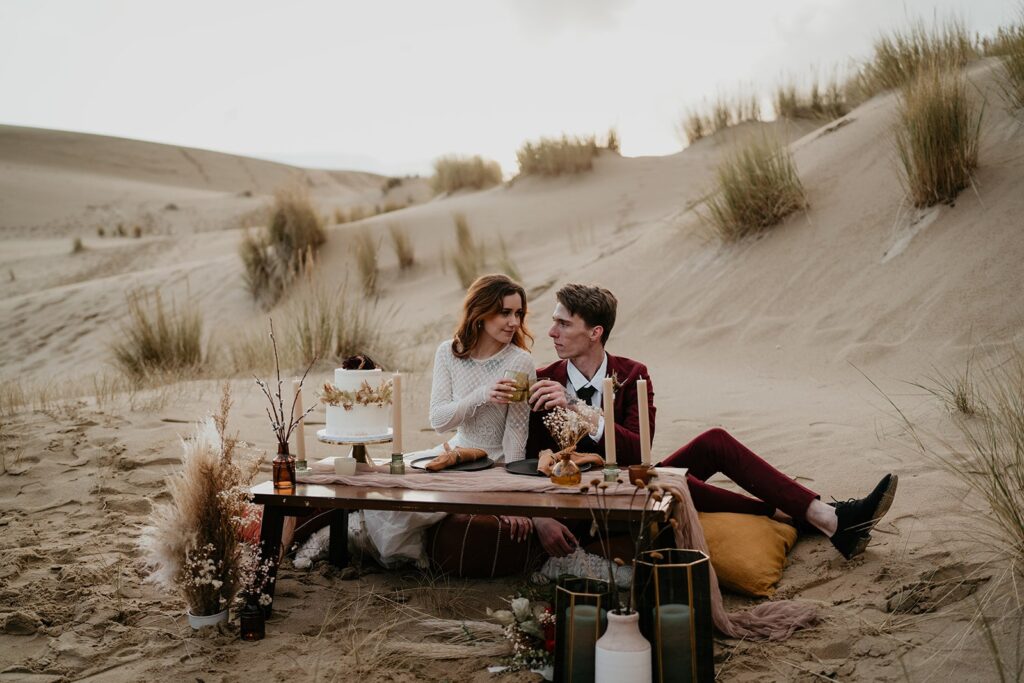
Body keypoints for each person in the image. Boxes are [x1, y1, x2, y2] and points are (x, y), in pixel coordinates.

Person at [525, 283, 898, 561]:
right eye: (554, 322)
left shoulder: (633, 373)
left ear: (595, 333)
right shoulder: (544, 380)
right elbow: (524, 462)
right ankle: (822, 517)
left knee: (712, 443)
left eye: (563, 323)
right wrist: (538, 520)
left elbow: (637, 450)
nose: (552, 332)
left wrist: (578, 407)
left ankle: (822, 518)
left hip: (637, 484)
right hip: (590, 504)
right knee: (674, 482)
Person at [361, 274, 538, 566]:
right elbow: (439, 420)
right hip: (454, 453)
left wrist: (510, 493)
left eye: (519, 313)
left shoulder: (520, 361)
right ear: (481, 313)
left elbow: (516, 434)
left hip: (494, 463)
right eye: (505, 312)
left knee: (418, 510)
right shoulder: (448, 352)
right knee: (387, 490)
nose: (514, 322)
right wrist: (482, 394)